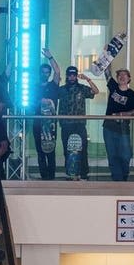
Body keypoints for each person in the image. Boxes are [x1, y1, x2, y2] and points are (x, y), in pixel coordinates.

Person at [57, 65, 99, 180]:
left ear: (76, 76)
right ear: (67, 76)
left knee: (83, 148)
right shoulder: (62, 89)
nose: (72, 77)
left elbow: (96, 91)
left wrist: (88, 79)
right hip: (66, 124)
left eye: (74, 75)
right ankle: (70, 172)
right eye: (70, 75)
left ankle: (84, 173)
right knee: (67, 149)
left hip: (79, 124)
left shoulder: (82, 88)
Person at [103, 66, 134, 181]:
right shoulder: (113, 87)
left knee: (125, 155)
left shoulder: (132, 95)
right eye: (120, 75)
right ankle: (117, 178)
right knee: (112, 154)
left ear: (129, 79)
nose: (122, 77)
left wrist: (123, 114)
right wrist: (108, 53)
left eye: (125, 75)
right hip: (109, 127)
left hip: (123, 127)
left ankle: (124, 175)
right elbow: (106, 72)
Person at [34, 47, 62, 181]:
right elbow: (31, 104)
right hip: (38, 122)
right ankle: (43, 176)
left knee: (50, 150)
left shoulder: (53, 85)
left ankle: (51, 177)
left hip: (51, 123)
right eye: (43, 72)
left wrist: (50, 57)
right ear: (40, 73)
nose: (45, 74)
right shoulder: (34, 87)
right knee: (40, 151)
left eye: (47, 72)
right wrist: (40, 102)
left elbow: (58, 71)